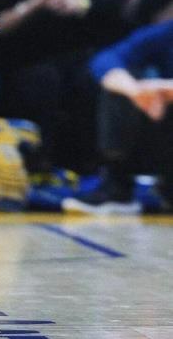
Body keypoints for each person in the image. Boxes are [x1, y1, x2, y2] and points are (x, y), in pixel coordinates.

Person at [0, 0, 125, 172]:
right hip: (29, 62)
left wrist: (79, 3)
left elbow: (113, 10)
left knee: (90, 78)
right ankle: (36, 163)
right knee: (43, 80)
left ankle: (92, 167)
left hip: (80, 61)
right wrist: (40, 0)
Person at [63, 20, 173, 215]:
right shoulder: (167, 33)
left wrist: (165, 88)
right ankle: (117, 187)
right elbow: (107, 59)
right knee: (121, 83)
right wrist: (136, 91)